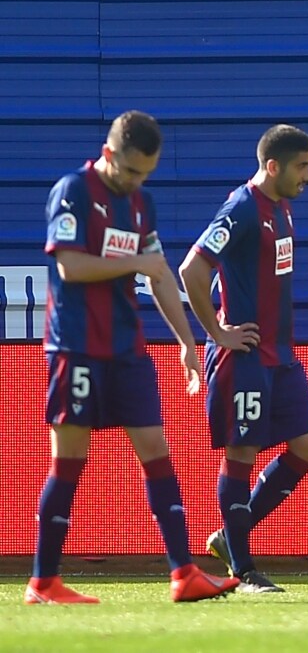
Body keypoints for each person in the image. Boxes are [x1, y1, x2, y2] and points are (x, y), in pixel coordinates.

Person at [27, 110, 240, 604]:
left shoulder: (141, 203)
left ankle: (183, 573)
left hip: (126, 349)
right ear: (109, 154)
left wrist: (188, 343)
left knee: (157, 452)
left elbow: (161, 275)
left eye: (145, 173)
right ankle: (43, 581)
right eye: (129, 171)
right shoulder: (74, 191)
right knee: (69, 460)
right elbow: (71, 265)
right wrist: (137, 262)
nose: (136, 181)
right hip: (76, 346)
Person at [179, 125, 308, 593]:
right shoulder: (242, 207)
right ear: (273, 166)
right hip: (245, 356)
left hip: (280, 355)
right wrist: (217, 332)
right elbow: (191, 268)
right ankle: (243, 571)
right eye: (302, 167)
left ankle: (229, 536)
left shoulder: (280, 207)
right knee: (241, 454)